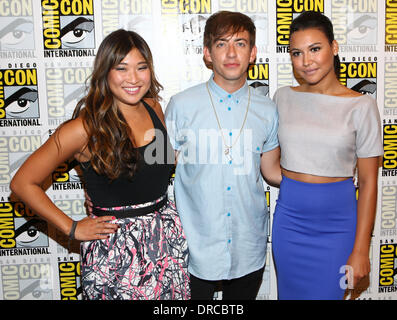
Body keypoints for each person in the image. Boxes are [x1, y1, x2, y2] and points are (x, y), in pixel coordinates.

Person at [10, 29, 190, 300]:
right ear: (105, 72)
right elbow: (22, 183)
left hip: (166, 239)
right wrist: (72, 228)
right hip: (114, 249)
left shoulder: (154, 107)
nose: (133, 78)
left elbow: (154, 166)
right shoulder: (82, 129)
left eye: (142, 68)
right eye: (122, 68)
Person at [165, 11, 280, 300]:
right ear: (207, 53)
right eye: (221, 44)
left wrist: (322, 178)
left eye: (240, 44)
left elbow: (271, 171)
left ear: (252, 53)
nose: (231, 53)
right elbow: (158, 168)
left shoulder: (267, 109)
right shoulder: (181, 105)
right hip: (194, 243)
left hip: (248, 242)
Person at [272, 11, 383, 300]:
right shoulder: (283, 97)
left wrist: (361, 249)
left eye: (315, 49)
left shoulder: (362, 106)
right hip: (289, 224)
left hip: (337, 227)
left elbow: (369, 183)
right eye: (297, 53)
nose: (306, 61)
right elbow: (272, 163)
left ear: (334, 48)